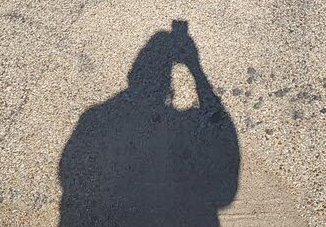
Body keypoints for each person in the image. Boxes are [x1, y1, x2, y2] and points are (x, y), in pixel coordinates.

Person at [58, 21, 240, 226]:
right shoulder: (94, 117)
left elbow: (70, 170)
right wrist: (196, 71)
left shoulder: (94, 117)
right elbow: (225, 189)